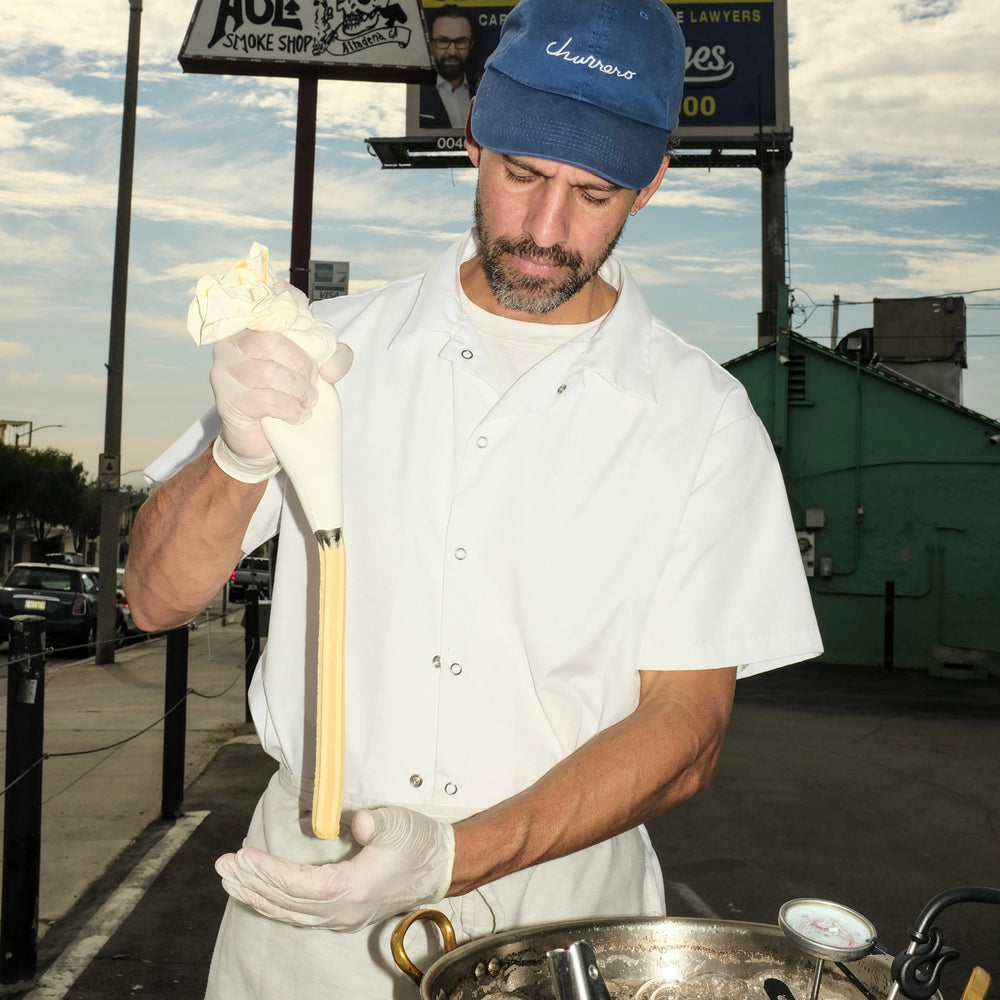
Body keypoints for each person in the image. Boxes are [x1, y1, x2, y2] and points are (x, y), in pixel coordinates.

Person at [124, 0, 823, 996]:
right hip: (303, 926)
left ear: (652, 183)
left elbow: (686, 729)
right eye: (522, 175)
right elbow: (152, 599)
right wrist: (232, 464)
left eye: (592, 193)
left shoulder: (699, 417)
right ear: (474, 141)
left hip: (566, 931)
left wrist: (453, 854)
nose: (544, 230)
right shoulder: (325, 348)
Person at [418, 4, 476, 129]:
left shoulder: (484, 97)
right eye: (443, 41)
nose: (452, 52)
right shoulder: (417, 99)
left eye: (460, 42)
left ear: (471, 44)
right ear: (430, 44)